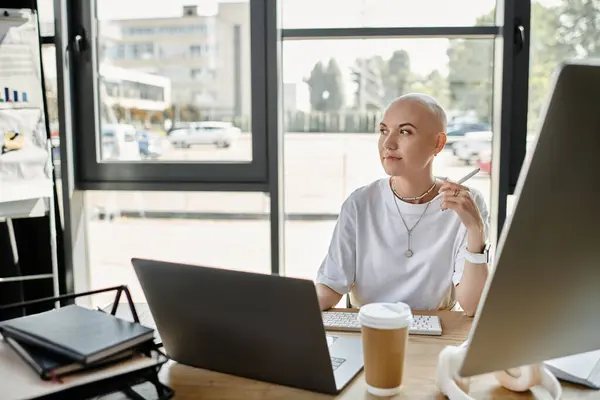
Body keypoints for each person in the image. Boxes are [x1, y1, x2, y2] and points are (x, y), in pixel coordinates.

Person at [315, 93, 490, 317]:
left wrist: (476, 230)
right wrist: (283, 306)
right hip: (371, 332)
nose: (388, 143)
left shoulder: (465, 204)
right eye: (384, 131)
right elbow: (329, 288)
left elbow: (473, 306)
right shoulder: (360, 204)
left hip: (437, 336)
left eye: (405, 131)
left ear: (438, 143)